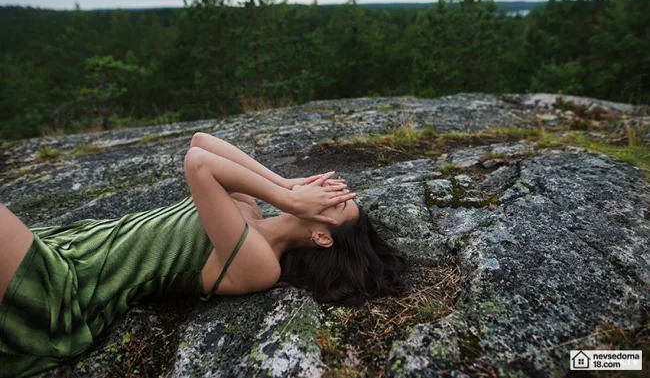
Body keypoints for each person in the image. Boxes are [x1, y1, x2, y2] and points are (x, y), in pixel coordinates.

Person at [0, 132, 406, 377]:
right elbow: (202, 141)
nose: (330, 190)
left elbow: (198, 165)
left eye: (336, 203)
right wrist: (284, 183)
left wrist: (286, 199)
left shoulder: (260, 264)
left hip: (67, 287)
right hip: (69, 246)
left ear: (321, 238)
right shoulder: (247, 209)